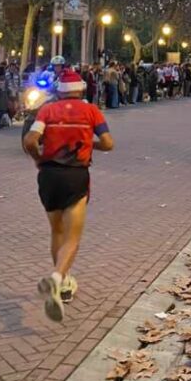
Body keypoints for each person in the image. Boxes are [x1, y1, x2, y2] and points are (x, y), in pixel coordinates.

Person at [22, 68, 114, 322]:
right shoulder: (91, 111)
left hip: (49, 176)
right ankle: (57, 278)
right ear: (81, 89)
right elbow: (108, 143)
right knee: (73, 238)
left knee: (57, 232)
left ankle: (63, 284)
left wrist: (40, 160)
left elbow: (30, 140)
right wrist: (88, 143)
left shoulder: (47, 111)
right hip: (76, 175)